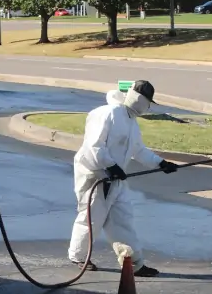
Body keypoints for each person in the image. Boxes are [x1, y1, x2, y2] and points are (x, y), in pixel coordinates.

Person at [68, 80, 178, 277]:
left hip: (115, 180)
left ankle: (133, 262)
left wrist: (160, 163)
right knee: (91, 219)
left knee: (122, 220)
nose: (148, 107)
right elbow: (93, 146)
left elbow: (138, 150)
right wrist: (110, 165)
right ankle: (78, 256)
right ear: (138, 99)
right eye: (147, 102)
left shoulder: (131, 122)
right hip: (95, 177)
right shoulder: (106, 114)